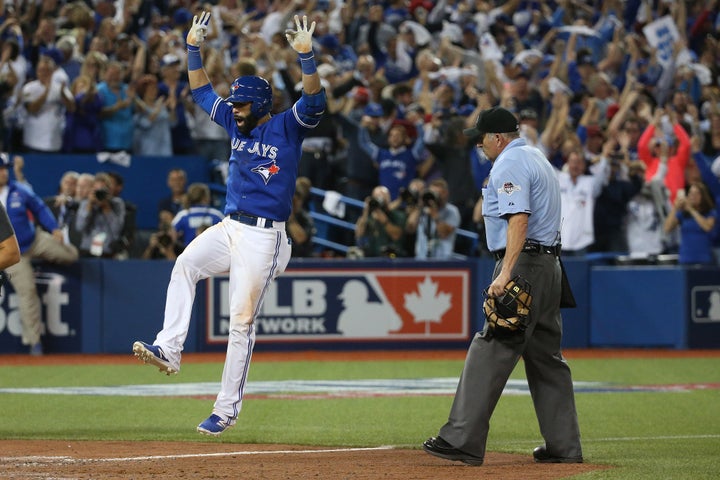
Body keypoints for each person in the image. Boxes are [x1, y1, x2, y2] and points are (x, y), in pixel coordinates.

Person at [132, 12, 326, 436]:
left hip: (265, 236)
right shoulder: (232, 120)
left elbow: (314, 102)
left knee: (240, 321)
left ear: (258, 105)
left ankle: (226, 409)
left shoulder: (286, 128)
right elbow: (201, 91)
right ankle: (169, 348)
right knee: (185, 263)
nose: (234, 109)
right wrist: (192, 48)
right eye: (234, 103)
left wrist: (307, 58)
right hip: (230, 226)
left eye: (240, 104)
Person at [423, 107, 582, 465]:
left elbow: (518, 220)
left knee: (491, 346)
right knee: (547, 359)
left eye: (481, 139)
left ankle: (462, 439)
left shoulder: (509, 163)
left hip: (524, 262)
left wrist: (505, 272)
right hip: (550, 263)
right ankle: (564, 446)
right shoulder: (537, 157)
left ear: (498, 138)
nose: (479, 145)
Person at [0, 153, 79, 355]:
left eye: (5, 168)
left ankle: (42, 257)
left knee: (71, 255)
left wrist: (53, 228)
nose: (3, 172)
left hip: (33, 240)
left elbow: (39, 208)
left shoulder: (19, 190)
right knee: (28, 293)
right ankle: (35, 343)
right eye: (0, 169)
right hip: (13, 254)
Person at [663, 182, 716, 265]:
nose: (693, 196)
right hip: (686, 258)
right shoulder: (683, 214)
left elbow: (707, 227)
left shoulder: (710, 213)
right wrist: (675, 208)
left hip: (704, 259)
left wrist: (691, 210)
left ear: (703, 196)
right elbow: (667, 228)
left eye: (696, 193)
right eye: (691, 193)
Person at [75, 172, 126, 258]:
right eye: (96, 190)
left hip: (108, 251)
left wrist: (106, 207)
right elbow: (80, 227)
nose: (99, 194)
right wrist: (89, 206)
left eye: (102, 190)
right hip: (87, 250)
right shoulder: (85, 203)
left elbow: (116, 230)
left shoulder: (117, 204)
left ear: (109, 191)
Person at [407, 177, 460, 259]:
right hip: (421, 258)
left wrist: (435, 214)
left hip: (443, 261)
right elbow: (410, 228)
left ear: (446, 194)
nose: (435, 197)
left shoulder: (452, 211)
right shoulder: (423, 209)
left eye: (438, 193)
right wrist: (420, 205)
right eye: (433, 193)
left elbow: (444, 234)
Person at [355, 185, 407, 257]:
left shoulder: (398, 215)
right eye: (376, 197)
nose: (380, 199)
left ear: (388, 198)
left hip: (393, 258)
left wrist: (384, 220)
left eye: (383, 196)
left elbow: (396, 236)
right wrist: (365, 211)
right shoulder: (369, 217)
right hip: (372, 258)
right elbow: (359, 234)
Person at [171, 182, 224, 249]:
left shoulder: (183, 215)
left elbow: (172, 236)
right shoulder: (216, 215)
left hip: (189, 255)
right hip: (214, 255)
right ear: (205, 197)